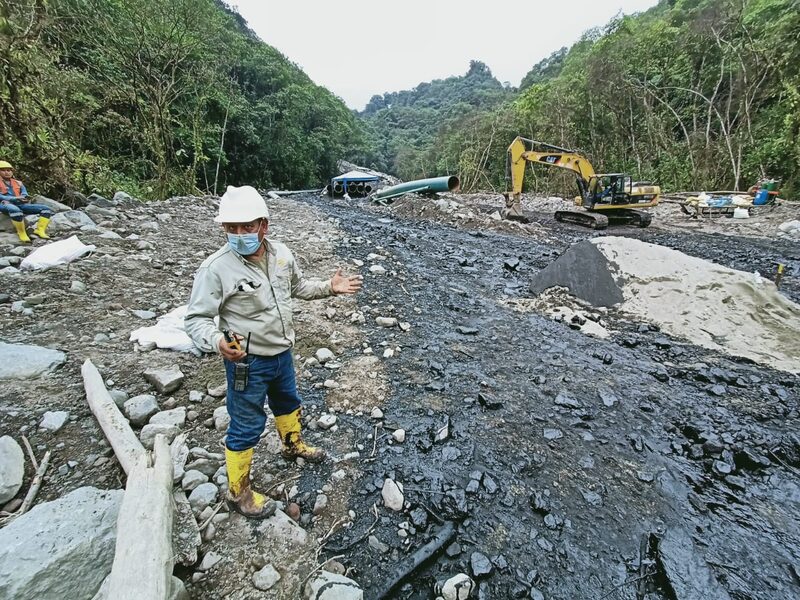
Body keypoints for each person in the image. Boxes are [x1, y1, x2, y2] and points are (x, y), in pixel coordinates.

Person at [185, 185, 362, 518]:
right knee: (246, 425)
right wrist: (218, 343)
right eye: (231, 228)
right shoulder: (216, 269)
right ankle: (239, 493)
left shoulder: (282, 254)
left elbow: (298, 288)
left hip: (282, 354)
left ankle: (292, 444)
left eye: (247, 227)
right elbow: (195, 319)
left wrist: (329, 287)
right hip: (246, 363)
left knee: (288, 402)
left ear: (263, 225)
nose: (239, 234)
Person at [0, 160, 53, 242]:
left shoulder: (18, 183)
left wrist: (24, 197)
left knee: (46, 209)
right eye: (3, 170)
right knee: (15, 210)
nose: (7, 172)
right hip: (5, 204)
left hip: (20, 204)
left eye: (8, 170)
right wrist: (14, 198)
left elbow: (24, 192)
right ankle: (22, 233)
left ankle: (40, 230)